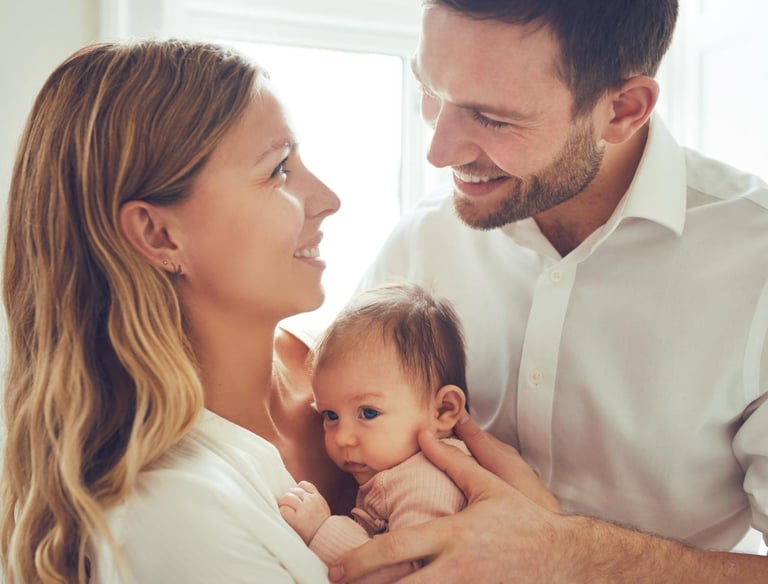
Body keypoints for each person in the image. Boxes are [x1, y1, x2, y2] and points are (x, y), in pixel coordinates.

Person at [331, 0, 768, 582]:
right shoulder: (425, 237)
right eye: (430, 89)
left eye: (492, 118)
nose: (439, 151)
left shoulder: (756, 264)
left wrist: (569, 553)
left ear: (623, 109)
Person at [0, 39, 364, 583]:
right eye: (279, 170)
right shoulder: (170, 512)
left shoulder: (362, 360)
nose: (329, 198)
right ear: (158, 234)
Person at [279, 283, 510, 583]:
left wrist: (322, 530)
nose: (342, 437)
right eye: (331, 415)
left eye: (368, 413)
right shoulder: (402, 471)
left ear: (443, 411)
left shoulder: (427, 481)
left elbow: (409, 572)